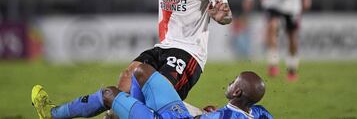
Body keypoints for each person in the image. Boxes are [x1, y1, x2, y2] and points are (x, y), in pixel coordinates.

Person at [31, 64, 273, 119]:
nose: (229, 83)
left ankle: (51, 114)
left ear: (237, 92)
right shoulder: (260, 113)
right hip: (181, 115)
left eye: (233, 82)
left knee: (109, 94)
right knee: (141, 71)